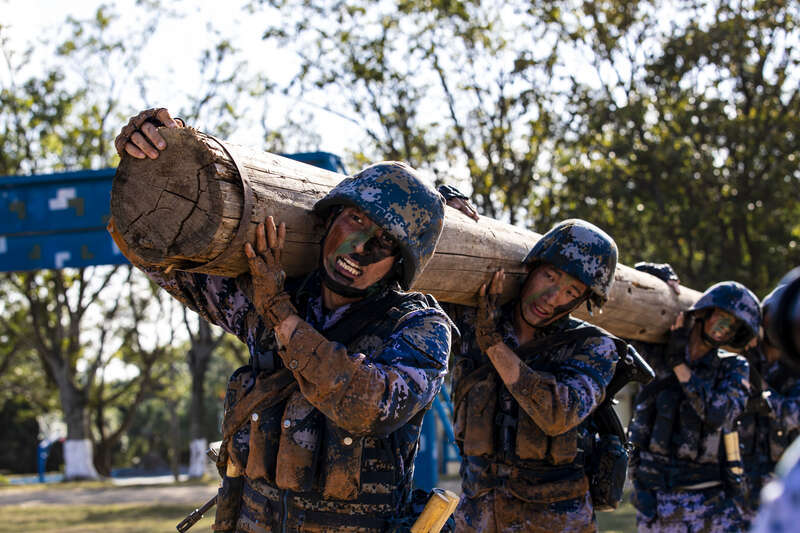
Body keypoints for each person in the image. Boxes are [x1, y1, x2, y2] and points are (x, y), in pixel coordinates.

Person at [112, 108, 454, 532]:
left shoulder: (418, 328)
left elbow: (368, 406)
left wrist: (279, 310)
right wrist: (160, 153)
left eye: (385, 241)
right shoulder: (278, 293)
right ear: (331, 218)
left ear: (400, 263)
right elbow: (167, 260)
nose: (359, 247)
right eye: (356, 220)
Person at [448, 218, 624, 532]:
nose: (553, 297)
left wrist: (493, 345)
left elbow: (559, 413)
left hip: (556, 521)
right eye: (550, 276)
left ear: (582, 301)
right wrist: (451, 207)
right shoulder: (474, 316)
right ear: (532, 268)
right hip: (479, 516)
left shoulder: (593, 347)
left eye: (570, 290)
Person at [628, 281, 761, 532]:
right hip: (654, 500)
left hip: (707, 502)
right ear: (703, 313)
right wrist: (657, 275)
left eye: (733, 326)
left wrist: (679, 365)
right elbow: (627, 309)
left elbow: (719, 415)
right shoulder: (656, 351)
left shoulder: (732, 367)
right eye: (722, 318)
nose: (724, 329)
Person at [736, 282, 800, 527]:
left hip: (778, 473)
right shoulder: (746, 354)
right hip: (737, 483)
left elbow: (791, 414)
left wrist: (758, 384)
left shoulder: (793, 368)